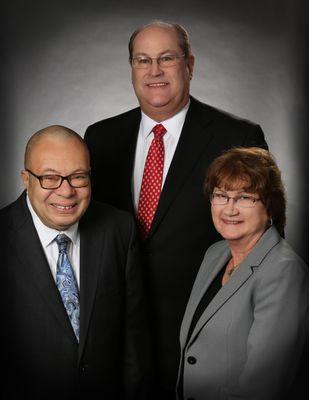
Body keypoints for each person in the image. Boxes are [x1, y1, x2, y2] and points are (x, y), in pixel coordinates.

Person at [84, 20, 268, 397]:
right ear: (132, 67)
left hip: (202, 336)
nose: (154, 71)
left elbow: (262, 244)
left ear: (190, 65)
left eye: (167, 58)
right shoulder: (100, 138)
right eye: (143, 60)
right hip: (117, 336)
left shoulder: (238, 137)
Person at [0, 125, 151, 399]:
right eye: (50, 178)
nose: (66, 191)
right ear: (25, 178)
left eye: (78, 177)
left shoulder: (118, 229)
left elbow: (133, 343)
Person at [177, 147, 309, 400]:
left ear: (270, 207)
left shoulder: (284, 271)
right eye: (221, 195)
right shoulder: (215, 254)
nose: (230, 209)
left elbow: (263, 386)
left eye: (246, 198)